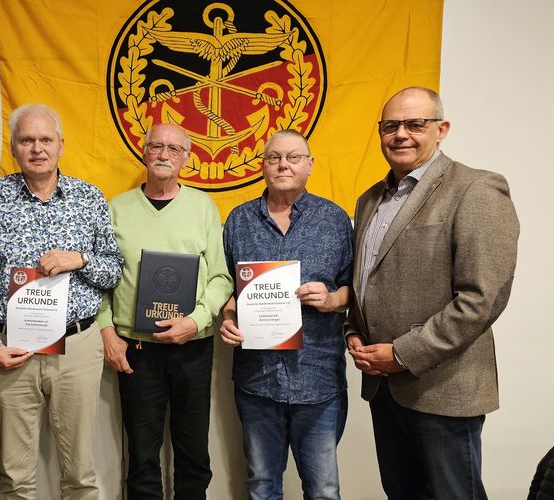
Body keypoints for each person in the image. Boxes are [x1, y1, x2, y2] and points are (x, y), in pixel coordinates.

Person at [347, 87, 519, 499]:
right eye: (391, 126)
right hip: (382, 386)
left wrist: (403, 354)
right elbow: (364, 281)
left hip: (443, 387)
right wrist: (353, 333)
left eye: (415, 124)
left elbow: (481, 299)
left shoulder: (476, 189)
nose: (401, 134)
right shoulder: (369, 199)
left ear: (441, 129)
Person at [0, 104, 123, 500]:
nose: (36, 148)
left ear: (61, 146)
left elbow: (114, 271)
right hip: (13, 349)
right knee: (14, 477)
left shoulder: (89, 198)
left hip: (75, 347)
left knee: (80, 474)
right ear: (14, 147)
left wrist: (81, 259)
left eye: (45, 140)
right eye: (26, 140)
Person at [97, 123, 234, 499]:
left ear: (187, 158)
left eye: (174, 149)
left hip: (193, 346)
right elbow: (102, 276)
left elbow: (221, 277)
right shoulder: (117, 208)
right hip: (135, 349)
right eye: (156, 146)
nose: (163, 154)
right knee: (141, 454)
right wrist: (108, 333)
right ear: (143, 152)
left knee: (193, 451)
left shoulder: (203, 206)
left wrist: (195, 320)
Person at [220, 129, 352, 499]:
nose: (283, 164)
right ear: (261, 165)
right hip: (257, 380)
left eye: (293, 157)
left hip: (319, 379)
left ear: (309, 165)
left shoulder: (335, 220)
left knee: (324, 490)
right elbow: (229, 289)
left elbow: (356, 291)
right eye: (274, 157)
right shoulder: (238, 220)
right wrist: (228, 319)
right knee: (262, 486)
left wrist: (329, 299)